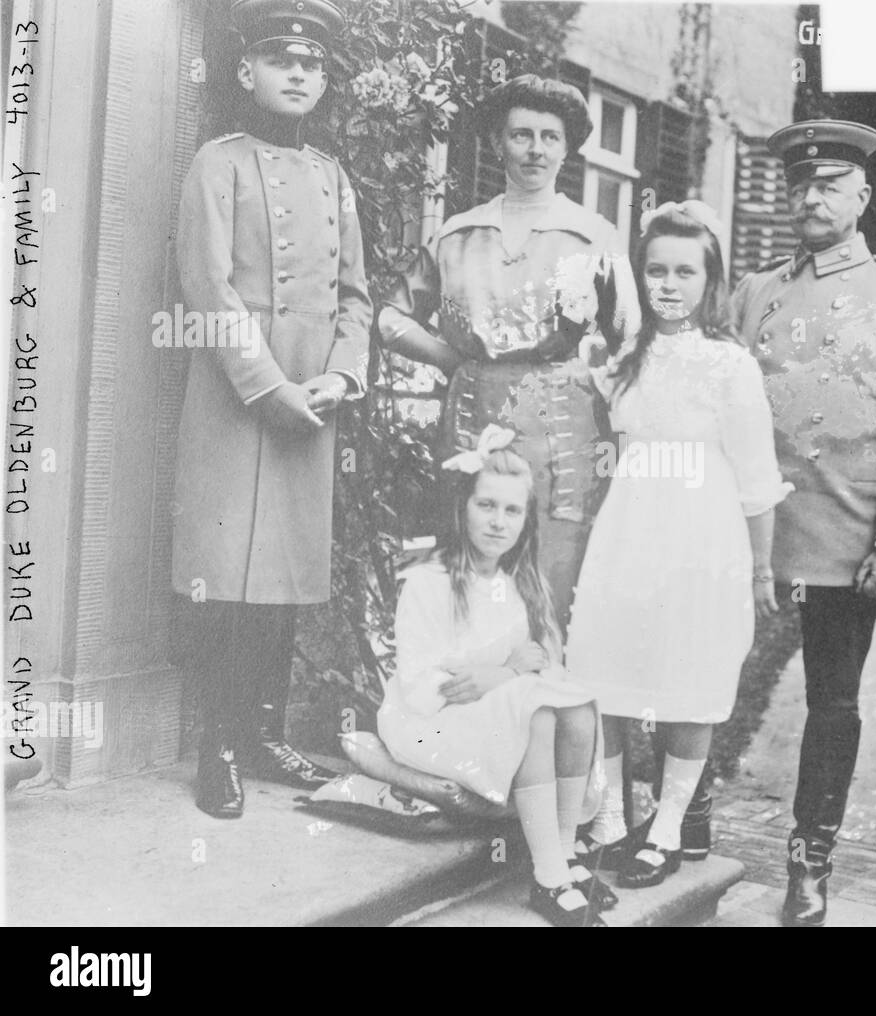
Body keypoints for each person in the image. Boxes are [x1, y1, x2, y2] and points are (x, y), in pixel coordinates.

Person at [731, 120, 876, 926]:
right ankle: (683, 828)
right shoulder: (754, 291)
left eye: (830, 184)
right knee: (708, 680)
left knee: (832, 704)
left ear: (862, 197)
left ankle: (807, 866)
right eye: (801, 184)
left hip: (844, 536)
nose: (812, 197)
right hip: (751, 533)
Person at [170, 0, 370, 819]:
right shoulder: (216, 164)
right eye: (281, 59)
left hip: (311, 402)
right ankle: (217, 743)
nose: (298, 74)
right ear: (246, 72)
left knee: (284, 578)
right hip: (236, 399)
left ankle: (263, 732)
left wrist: (341, 378)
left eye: (312, 63)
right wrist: (269, 386)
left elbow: (357, 295)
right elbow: (206, 288)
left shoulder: (334, 177)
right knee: (223, 577)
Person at [565, 201, 791, 889]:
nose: (669, 284)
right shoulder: (625, 359)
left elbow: (756, 480)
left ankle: (666, 832)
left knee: (687, 681)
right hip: (629, 529)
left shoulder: (730, 365)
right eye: (656, 270)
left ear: (710, 280)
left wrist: (758, 569)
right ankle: (607, 820)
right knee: (603, 672)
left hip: (702, 535)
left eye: (685, 271)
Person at [375, 74, 638, 634]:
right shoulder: (458, 234)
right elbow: (390, 318)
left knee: (549, 589)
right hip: (472, 421)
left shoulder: (593, 236)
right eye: (520, 135)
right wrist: (452, 358)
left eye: (549, 136)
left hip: (564, 440)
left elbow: (630, 339)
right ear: (497, 143)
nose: (535, 149)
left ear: (568, 148)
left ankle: (542, 707)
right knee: (472, 581)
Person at [377, 425, 611, 927]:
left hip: (494, 713)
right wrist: (501, 672)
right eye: (486, 506)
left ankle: (564, 858)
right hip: (428, 722)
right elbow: (424, 691)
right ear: (463, 507)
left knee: (574, 709)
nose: (498, 523)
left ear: (526, 522)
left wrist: (500, 678)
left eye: (512, 511)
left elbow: (545, 668)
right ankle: (549, 882)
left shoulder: (520, 583)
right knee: (538, 715)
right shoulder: (429, 582)